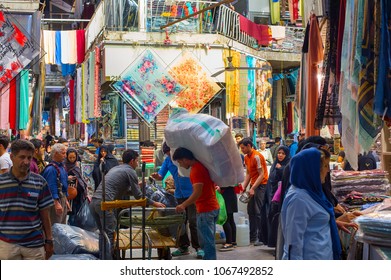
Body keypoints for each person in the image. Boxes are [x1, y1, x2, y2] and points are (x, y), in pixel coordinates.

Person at [89, 149, 165, 259]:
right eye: (137, 161)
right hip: (104, 203)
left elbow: (124, 191)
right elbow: (138, 196)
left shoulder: (117, 168)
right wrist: (154, 203)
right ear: (132, 161)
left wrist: (137, 186)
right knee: (109, 234)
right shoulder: (130, 171)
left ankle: (103, 259)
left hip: (94, 202)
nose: (137, 163)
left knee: (103, 234)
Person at [281, 147, 342, 260]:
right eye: (325, 166)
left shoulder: (313, 193)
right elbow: (293, 244)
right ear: (313, 170)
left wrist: (332, 222)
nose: (327, 170)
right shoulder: (298, 199)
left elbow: (313, 223)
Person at [0, 140, 54, 260]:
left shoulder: (40, 182)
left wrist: (49, 240)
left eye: (29, 158)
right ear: (12, 157)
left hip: (34, 245)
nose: (26, 162)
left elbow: (45, 214)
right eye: (22, 157)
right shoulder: (1, 182)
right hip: (7, 245)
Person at [151, 142, 203, 258]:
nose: (169, 156)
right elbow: (161, 175)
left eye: (170, 153)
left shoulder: (184, 159)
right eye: (167, 154)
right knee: (180, 222)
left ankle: (198, 247)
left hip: (191, 193)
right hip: (178, 194)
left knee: (193, 221)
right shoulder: (168, 161)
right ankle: (183, 246)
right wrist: (156, 176)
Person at [172, 147, 220, 260]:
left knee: (207, 243)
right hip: (213, 207)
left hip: (205, 210)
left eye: (179, 162)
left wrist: (183, 205)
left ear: (185, 159)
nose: (180, 165)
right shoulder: (202, 166)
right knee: (209, 240)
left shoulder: (196, 170)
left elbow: (197, 193)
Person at [238, 138, 269, 246]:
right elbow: (248, 174)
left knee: (258, 211)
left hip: (261, 186)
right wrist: (244, 187)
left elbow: (261, 174)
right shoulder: (246, 157)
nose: (242, 150)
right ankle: (252, 237)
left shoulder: (257, 156)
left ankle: (261, 237)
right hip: (253, 185)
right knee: (250, 211)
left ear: (249, 145)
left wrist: (253, 188)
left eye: (243, 148)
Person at [261, 145, 290, 248]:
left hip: (280, 198)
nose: (280, 155)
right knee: (270, 218)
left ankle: (279, 244)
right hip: (271, 195)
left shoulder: (287, 165)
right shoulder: (275, 165)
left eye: (283, 153)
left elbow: (286, 179)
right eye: (279, 153)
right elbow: (271, 180)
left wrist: (281, 169)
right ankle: (272, 242)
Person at [41, 143, 70, 225]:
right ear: (56, 154)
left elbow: (64, 185)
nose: (65, 155)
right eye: (63, 153)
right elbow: (51, 187)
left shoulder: (62, 167)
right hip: (55, 200)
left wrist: (66, 199)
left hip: (62, 198)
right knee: (56, 225)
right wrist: (56, 203)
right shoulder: (51, 169)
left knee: (62, 225)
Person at [64, 148, 88, 226]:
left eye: (73, 157)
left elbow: (81, 179)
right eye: (70, 157)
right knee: (72, 214)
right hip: (71, 195)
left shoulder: (77, 166)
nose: (71, 159)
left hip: (79, 195)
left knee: (77, 213)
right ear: (66, 157)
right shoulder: (64, 166)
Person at [216, 185, 238, 251]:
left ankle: (229, 243)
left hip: (227, 196)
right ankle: (233, 241)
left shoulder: (227, 175)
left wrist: (220, 187)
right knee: (231, 220)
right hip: (231, 194)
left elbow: (226, 182)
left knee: (225, 220)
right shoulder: (234, 174)